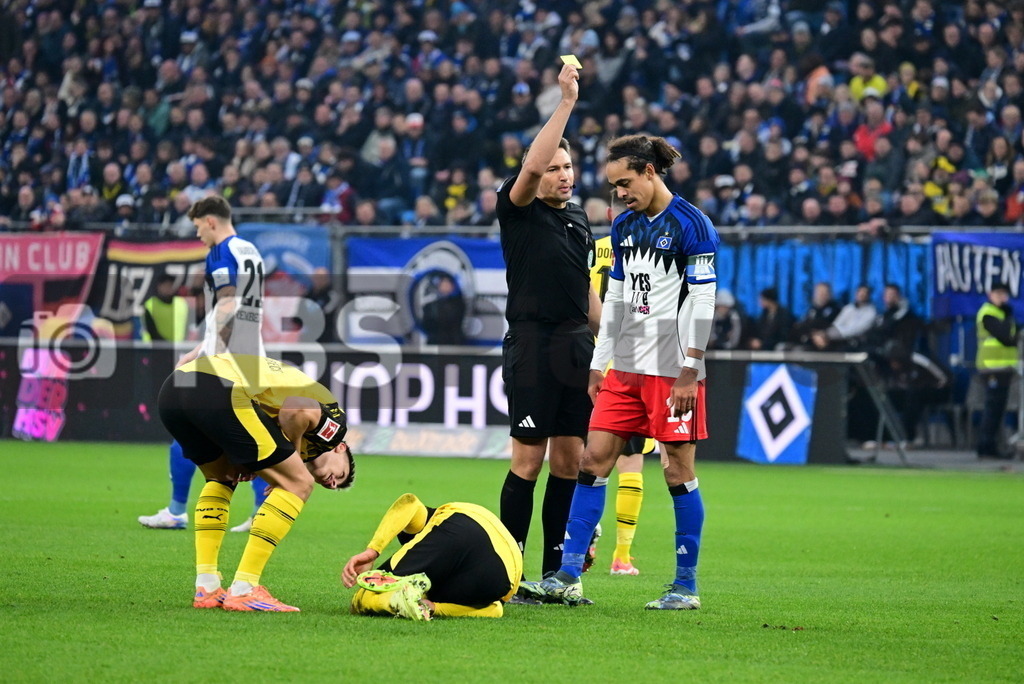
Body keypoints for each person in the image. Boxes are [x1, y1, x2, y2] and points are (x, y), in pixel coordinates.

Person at [538, 134, 719, 610]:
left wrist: (690, 370)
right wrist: (600, 364)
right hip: (626, 370)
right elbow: (615, 298)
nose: (619, 193)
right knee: (592, 462)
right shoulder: (624, 226)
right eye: (614, 186)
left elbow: (702, 300)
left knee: (677, 471)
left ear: (649, 172)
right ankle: (568, 577)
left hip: (671, 371)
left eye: (624, 183)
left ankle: (685, 586)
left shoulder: (692, 225)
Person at [495, 61, 601, 595]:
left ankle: (557, 574)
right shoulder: (518, 209)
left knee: (570, 461)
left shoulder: (579, 218)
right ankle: (507, 570)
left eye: (570, 166)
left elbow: (586, 291)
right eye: (556, 166)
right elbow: (530, 170)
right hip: (533, 345)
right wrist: (565, 103)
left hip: (575, 347)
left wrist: (610, 341)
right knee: (528, 459)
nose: (565, 173)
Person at [158, 353, 355, 611]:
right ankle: (244, 589)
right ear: (341, 449)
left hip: (174, 390)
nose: (331, 483)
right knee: (299, 483)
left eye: (332, 487)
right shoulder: (335, 429)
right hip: (219, 387)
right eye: (340, 476)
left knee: (222, 478)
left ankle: (207, 587)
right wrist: (294, 456)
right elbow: (296, 409)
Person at [139, 196, 269, 532]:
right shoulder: (249, 250)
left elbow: (227, 302)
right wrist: (199, 349)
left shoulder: (221, 252)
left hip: (227, 358)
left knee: (187, 427)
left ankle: (178, 510)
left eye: (198, 227)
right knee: (248, 434)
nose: (198, 235)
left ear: (211, 221)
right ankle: (257, 512)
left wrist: (211, 353)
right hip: (250, 353)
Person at [341, 493, 522, 621]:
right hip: (503, 583)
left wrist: (372, 551)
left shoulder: (434, 519)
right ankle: (423, 605)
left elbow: (409, 502)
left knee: (366, 595)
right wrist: (435, 607)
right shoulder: (458, 511)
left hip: (460, 527)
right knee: (439, 595)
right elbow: (495, 610)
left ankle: (398, 598)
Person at [975, 282, 1018, 459]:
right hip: (991, 367)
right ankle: (986, 446)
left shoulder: (1004, 313)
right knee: (992, 408)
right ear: (990, 294)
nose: (1001, 297)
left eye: (1004, 293)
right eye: (998, 293)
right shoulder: (988, 313)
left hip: (1004, 368)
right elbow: (1005, 337)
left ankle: (990, 445)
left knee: (998, 408)